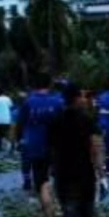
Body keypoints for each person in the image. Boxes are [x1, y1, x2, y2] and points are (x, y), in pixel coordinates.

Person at [47, 82, 106, 217]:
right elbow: (96, 148)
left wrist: (51, 170)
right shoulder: (88, 119)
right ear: (76, 98)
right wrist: (102, 175)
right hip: (85, 174)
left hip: (63, 176)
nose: (85, 99)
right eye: (82, 95)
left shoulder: (56, 119)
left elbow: (51, 148)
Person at [15, 74, 64, 203]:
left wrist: (18, 139)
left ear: (35, 86)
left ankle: (41, 196)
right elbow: (64, 123)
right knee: (56, 168)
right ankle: (57, 196)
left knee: (39, 171)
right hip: (54, 143)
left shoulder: (28, 102)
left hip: (34, 143)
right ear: (49, 85)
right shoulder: (57, 102)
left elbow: (20, 123)